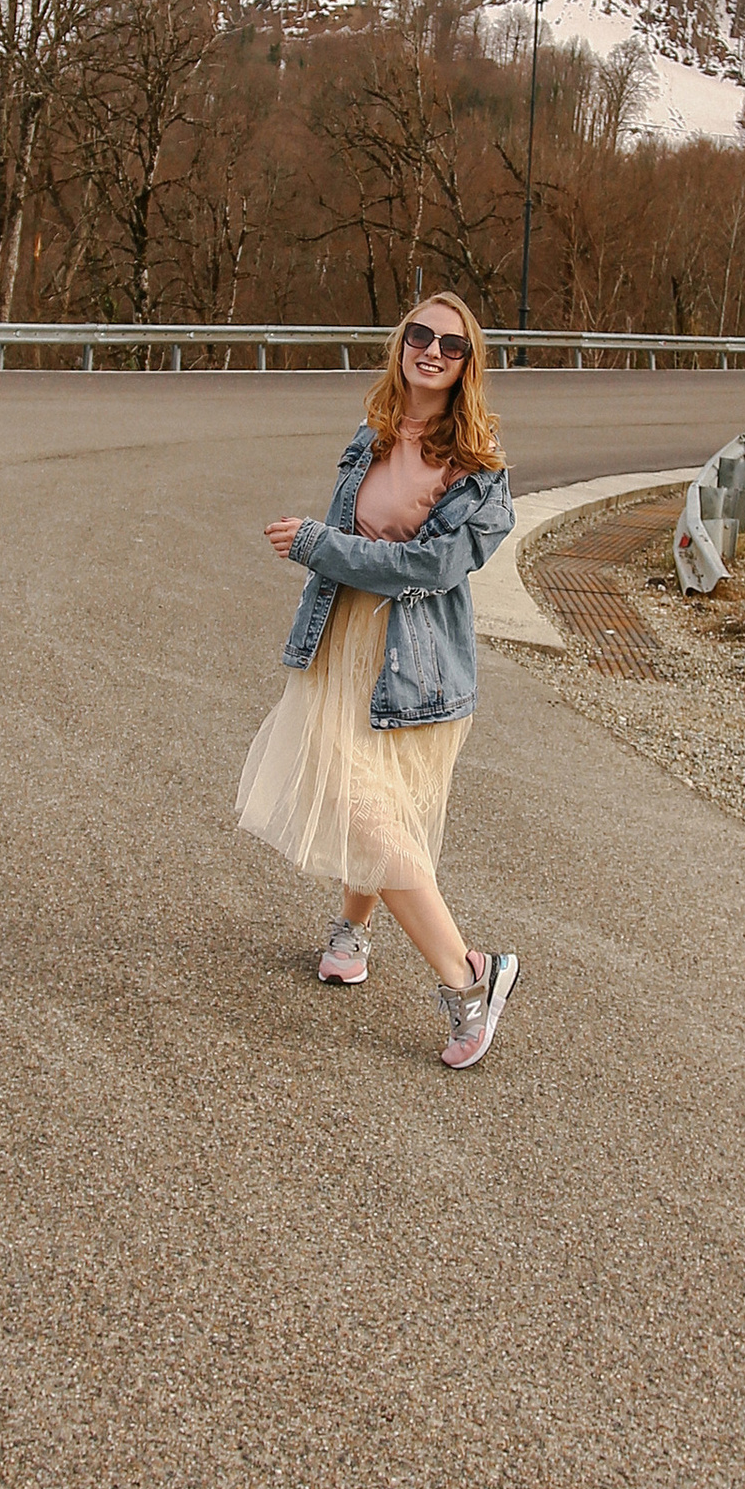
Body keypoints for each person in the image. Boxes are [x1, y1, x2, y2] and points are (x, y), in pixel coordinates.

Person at [237, 291, 522, 1069]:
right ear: (402, 343)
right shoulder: (371, 436)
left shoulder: (479, 472)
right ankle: (353, 934)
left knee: (365, 809)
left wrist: (320, 546)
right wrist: (325, 552)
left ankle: (470, 978)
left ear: (468, 367)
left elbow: (429, 568)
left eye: (451, 345)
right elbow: (355, 543)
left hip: (415, 664)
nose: (431, 350)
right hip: (342, 643)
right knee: (365, 799)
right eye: (420, 335)